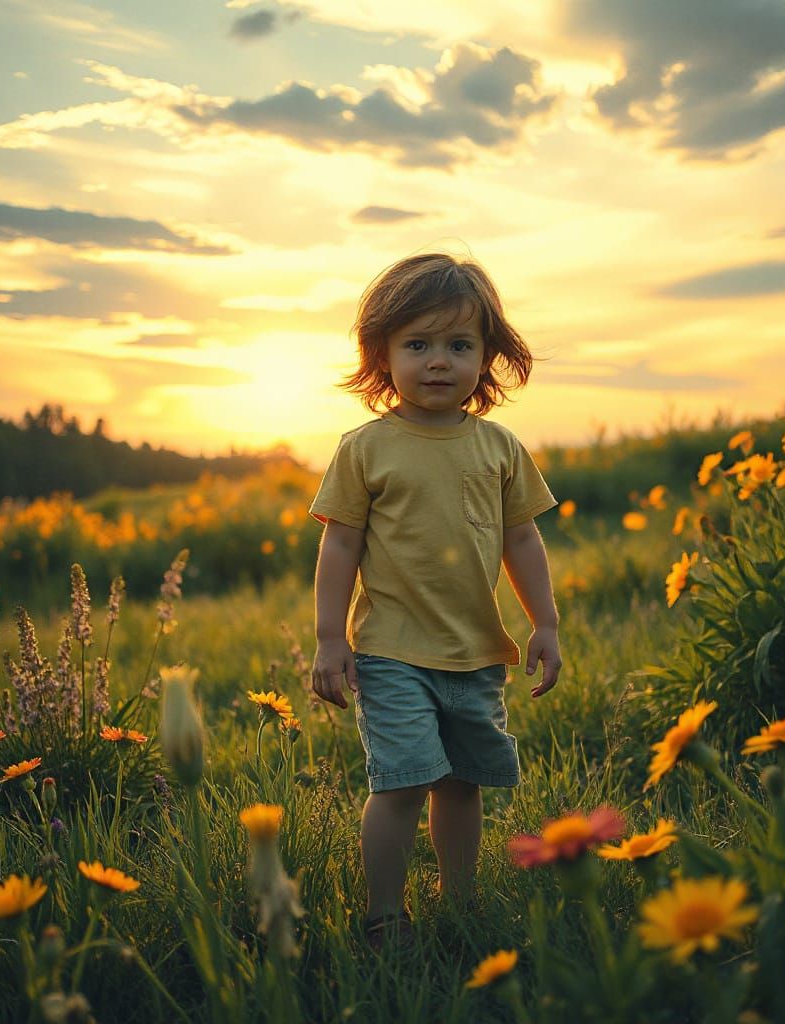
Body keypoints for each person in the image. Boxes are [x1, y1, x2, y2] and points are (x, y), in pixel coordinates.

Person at [308, 252, 561, 950]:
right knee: (400, 785)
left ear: (487, 355)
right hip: (391, 652)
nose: (439, 361)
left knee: (462, 784)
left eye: (459, 344)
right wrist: (332, 639)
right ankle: (384, 916)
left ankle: (461, 901)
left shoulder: (500, 448)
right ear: (382, 355)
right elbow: (339, 548)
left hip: (476, 653)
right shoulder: (365, 449)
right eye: (417, 344)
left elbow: (523, 540)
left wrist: (545, 622)